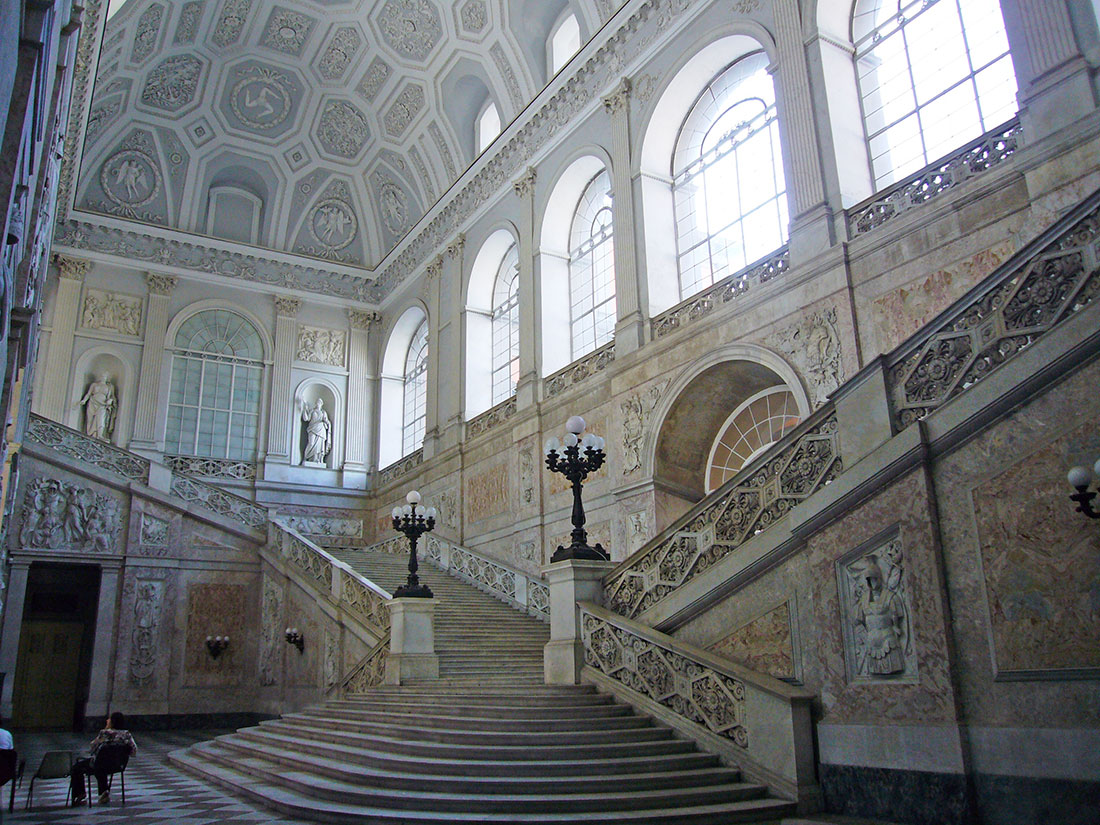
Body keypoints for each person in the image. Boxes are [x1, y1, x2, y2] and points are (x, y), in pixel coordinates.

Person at [70, 711, 137, 805]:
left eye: (109, 719)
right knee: (103, 766)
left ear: (112, 722)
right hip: (118, 765)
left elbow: (93, 748)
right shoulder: (127, 734)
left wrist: (106, 729)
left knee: (77, 768)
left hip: (99, 764)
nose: (107, 720)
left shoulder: (105, 733)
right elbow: (133, 751)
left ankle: (80, 793)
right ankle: (103, 793)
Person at [78, 373, 116, 441]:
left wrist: (110, 400)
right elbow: (89, 394)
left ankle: (100, 435)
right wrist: (84, 400)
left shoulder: (109, 387)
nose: (102, 377)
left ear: (107, 378)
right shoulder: (94, 385)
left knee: (101, 419)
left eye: (104, 376)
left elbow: (112, 397)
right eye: (101, 376)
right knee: (90, 420)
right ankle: (89, 434)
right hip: (92, 402)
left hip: (103, 405)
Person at [301, 398, 332, 464]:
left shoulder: (323, 412)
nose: (318, 404)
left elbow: (326, 421)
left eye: (319, 402)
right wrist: (304, 409)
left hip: (321, 429)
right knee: (311, 443)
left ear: (321, 404)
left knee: (319, 445)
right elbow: (306, 419)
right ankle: (306, 458)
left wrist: (327, 423)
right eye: (317, 402)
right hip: (312, 429)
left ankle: (317, 459)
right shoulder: (312, 411)